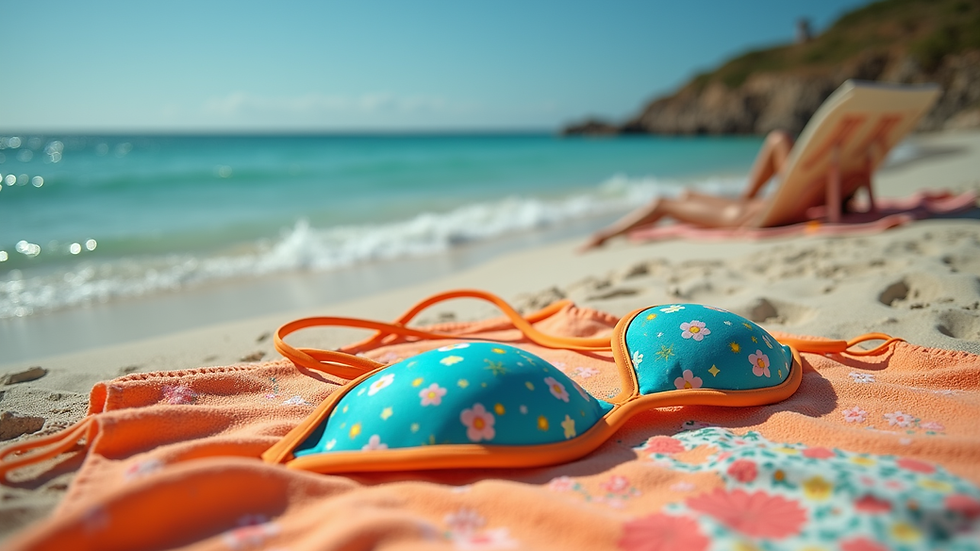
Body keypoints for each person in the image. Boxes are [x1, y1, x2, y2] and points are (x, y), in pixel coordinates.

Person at [579, 130, 795, 251]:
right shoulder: (805, 184)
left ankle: (603, 236)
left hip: (747, 214)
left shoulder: (795, 188)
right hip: (758, 205)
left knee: (661, 203)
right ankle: (745, 196)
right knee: (687, 194)